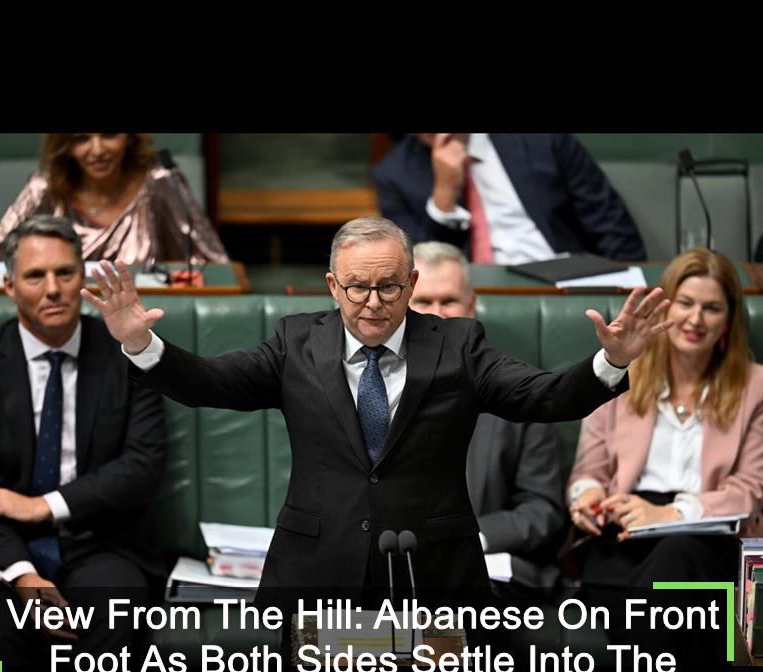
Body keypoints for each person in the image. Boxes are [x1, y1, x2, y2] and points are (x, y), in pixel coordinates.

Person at [83, 216, 669, 604]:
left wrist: (610, 361)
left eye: (388, 286)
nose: (372, 303)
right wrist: (142, 344)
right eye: (357, 288)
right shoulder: (295, 343)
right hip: (315, 569)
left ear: (411, 284)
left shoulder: (458, 345)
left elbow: (545, 395)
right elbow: (209, 383)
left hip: (434, 573)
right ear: (331, 286)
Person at [0, 215, 167, 666]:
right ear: (9, 286)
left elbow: (142, 466)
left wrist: (42, 506)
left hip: (98, 539)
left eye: (65, 273)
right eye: (35, 276)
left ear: (83, 279)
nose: (53, 289)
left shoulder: (127, 357)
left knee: (118, 617)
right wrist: (23, 576)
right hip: (3, 545)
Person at [568, 247, 763, 587]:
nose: (696, 319)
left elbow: (750, 488)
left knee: (677, 555)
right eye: (685, 303)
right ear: (664, 308)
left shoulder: (756, 386)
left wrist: (671, 514)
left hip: (706, 533)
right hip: (623, 529)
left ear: (729, 320)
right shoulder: (620, 376)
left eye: (712, 308)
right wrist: (587, 496)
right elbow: (589, 472)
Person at [409, 242, 565, 592]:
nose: (437, 315)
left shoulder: (521, 392)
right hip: (395, 561)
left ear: (471, 305)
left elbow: (542, 510)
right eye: (423, 302)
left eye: (449, 301)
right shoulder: (371, 390)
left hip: (486, 568)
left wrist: (466, 539)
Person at [374, 133, 646, 264]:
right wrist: (444, 196)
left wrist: (628, 291)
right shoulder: (393, 174)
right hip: (468, 298)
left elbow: (610, 223)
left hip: (564, 278)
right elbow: (418, 267)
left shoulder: (544, 139)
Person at [0, 133, 228, 268]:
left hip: (145, 323)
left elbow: (216, 264)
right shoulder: (46, 187)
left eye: (109, 135)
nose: (98, 150)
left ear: (129, 137)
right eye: (82, 138)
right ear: (65, 145)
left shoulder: (159, 180)